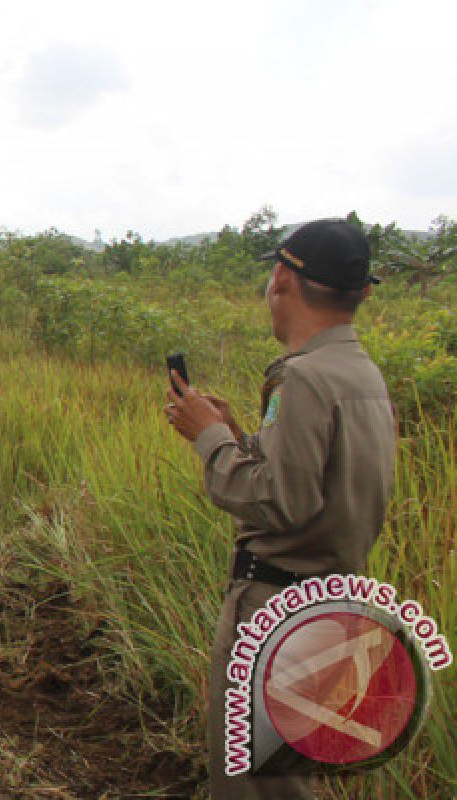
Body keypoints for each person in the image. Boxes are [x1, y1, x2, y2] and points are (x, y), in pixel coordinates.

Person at [163, 219, 397, 799]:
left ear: (281, 280)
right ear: (359, 293)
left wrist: (209, 440)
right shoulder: (361, 373)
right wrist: (237, 433)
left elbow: (278, 501)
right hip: (333, 601)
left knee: (254, 783)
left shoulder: (304, 378)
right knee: (286, 775)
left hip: (275, 606)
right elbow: (311, 483)